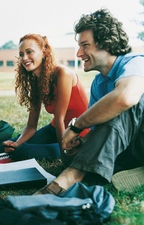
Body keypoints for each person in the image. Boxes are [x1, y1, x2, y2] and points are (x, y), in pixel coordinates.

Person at [34, 8, 144, 195]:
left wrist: (76, 126)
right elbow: (101, 133)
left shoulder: (135, 62)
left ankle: (70, 178)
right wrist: (80, 142)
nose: (79, 53)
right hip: (129, 146)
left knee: (118, 106)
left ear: (106, 44)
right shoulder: (98, 83)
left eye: (85, 45)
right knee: (72, 157)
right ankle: (131, 170)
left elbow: (125, 98)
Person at [2, 34, 90, 160]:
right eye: (21, 54)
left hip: (78, 133)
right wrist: (16, 143)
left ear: (44, 52)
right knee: (11, 145)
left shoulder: (62, 73)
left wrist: (64, 153)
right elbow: (31, 126)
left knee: (21, 152)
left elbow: (60, 118)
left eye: (29, 52)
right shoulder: (37, 81)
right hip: (54, 129)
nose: (24, 58)